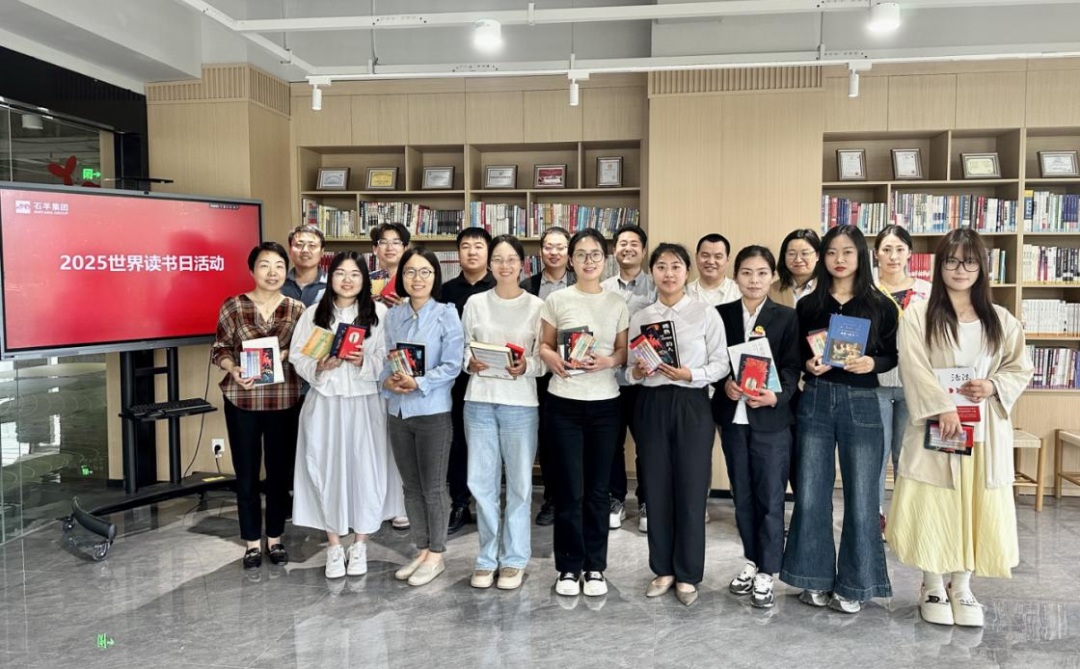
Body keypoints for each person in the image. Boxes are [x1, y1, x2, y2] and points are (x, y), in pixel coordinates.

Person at [886, 229, 1033, 628]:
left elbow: (1019, 367)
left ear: (982, 267)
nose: (960, 269)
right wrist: (942, 408)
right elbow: (913, 366)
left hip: (984, 435)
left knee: (974, 505)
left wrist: (993, 385)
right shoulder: (918, 315)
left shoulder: (1000, 319)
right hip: (939, 430)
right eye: (951, 261)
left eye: (969, 261)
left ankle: (963, 585)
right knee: (935, 502)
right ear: (940, 266)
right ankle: (933, 584)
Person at [780, 224, 899, 614]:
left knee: (862, 496)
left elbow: (892, 355)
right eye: (832, 252)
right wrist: (809, 365)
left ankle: (856, 584)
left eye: (848, 252)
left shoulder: (880, 305)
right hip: (816, 399)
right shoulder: (809, 304)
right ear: (823, 258)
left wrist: (872, 363)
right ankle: (811, 577)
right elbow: (797, 355)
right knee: (811, 492)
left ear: (861, 256)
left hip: (862, 401)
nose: (839, 259)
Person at [289, 251, 405, 579]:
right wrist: (319, 365)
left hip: (367, 403)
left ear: (365, 279)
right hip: (325, 403)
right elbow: (298, 356)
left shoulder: (379, 314)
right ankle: (334, 545)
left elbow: (389, 357)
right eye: (341, 273)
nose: (348, 280)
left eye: (355, 274)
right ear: (331, 278)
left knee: (366, 471)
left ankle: (360, 544)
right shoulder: (314, 313)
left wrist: (363, 361)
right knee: (326, 470)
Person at [627, 243, 728, 606]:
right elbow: (628, 369)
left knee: (691, 488)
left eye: (675, 266)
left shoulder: (706, 314)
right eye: (661, 266)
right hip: (651, 403)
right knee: (655, 488)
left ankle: (687, 573)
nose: (668, 273)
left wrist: (690, 374)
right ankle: (662, 569)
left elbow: (721, 364)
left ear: (687, 272)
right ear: (652, 271)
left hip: (692, 403)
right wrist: (638, 372)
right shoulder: (641, 316)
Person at [538, 228, 629, 597]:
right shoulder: (556, 299)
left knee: (597, 491)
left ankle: (595, 567)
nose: (588, 260)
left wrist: (608, 360)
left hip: (606, 404)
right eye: (581, 254)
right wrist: (553, 359)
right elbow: (544, 345)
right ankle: (568, 567)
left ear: (605, 260)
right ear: (570, 260)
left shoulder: (617, 302)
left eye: (595, 254)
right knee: (569, 490)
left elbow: (623, 352)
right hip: (563, 403)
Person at [713, 246, 801, 609]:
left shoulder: (787, 317)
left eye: (762, 273)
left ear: (772, 277)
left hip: (771, 421)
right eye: (747, 273)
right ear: (736, 276)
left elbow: (793, 368)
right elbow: (713, 362)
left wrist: (775, 396)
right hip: (733, 419)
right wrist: (724, 385)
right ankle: (751, 560)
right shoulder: (720, 315)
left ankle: (767, 570)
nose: (754, 280)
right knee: (743, 495)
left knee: (770, 497)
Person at [210, 242, 305, 569]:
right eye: (264, 265)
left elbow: (305, 349)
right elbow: (220, 348)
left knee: (279, 474)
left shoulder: (296, 309)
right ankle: (252, 542)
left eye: (279, 265)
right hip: (243, 400)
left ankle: (275, 538)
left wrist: (285, 354)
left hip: (283, 401)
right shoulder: (234, 305)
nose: (272, 272)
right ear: (252, 270)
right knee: (247, 474)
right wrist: (233, 369)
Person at [462, 235, 546, 590]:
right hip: (479, 401)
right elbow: (463, 351)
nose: (505, 265)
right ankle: (486, 559)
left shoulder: (537, 306)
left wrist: (526, 366)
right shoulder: (475, 303)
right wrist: (471, 363)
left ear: (522, 264)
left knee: (520, 486)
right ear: (490, 264)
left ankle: (514, 560)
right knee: (481, 484)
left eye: (511, 259)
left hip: (520, 404)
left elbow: (543, 360)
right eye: (498, 259)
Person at [380, 247, 464, 587]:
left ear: (435, 276)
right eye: (410, 272)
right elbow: (386, 359)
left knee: (433, 487)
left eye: (425, 272)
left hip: (432, 411)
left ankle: (437, 554)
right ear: (401, 277)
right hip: (398, 411)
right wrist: (387, 381)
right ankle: (423, 549)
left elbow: (453, 365)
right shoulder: (393, 316)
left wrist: (420, 382)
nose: (417, 278)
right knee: (411, 487)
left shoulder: (446, 314)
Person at [873, 225, 932, 525]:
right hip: (875, 382)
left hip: (914, 384)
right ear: (876, 254)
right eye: (886, 249)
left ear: (910, 253)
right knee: (876, 453)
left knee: (907, 454)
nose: (893, 256)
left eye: (899, 249)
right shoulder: (867, 287)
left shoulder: (927, 291)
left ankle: (905, 519)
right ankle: (874, 517)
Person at [600, 224, 656, 532]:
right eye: (622, 243)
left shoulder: (656, 285)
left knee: (647, 444)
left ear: (643, 250)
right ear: (614, 250)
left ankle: (647, 501)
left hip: (646, 381)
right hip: (611, 378)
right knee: (612, 444)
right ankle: (615, 499)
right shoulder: (603, 287)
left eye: (635, 243)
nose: (628, 248)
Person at [441, 227, 496, 535]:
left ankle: (490, 504)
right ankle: (460, 503)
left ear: (489, 252)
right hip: (457, 382)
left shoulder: (501, 285)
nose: (472, 251)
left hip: (495, 379)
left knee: (491, 445)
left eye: (478, 246)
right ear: (458, 252)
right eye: (465, 246)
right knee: (458, 443)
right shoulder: (445, 291)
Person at [521, 226, 576, 526]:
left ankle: (575, 497)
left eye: (560, 247)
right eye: (548, 247)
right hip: (539, 374)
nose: (554, 252)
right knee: (548, 438)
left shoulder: (582, 282)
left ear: (569, 252)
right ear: (540, 251)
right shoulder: (527, 286)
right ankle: (552, 499)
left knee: (573, 439)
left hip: (575, 372)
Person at [771, 228, 821, 308]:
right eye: (792, 254)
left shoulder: (829, 288)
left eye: (805, 253)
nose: (798, 260)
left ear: (818, 255)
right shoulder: (771, 290)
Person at [686, 233, 740, 306]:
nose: (711, 262)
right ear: (696, 257)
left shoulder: (739, 292)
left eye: (718, 257)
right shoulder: (684, 293)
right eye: (705, 256)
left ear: (727, 260)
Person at [281, 224, 327, 307]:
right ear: (290, 250)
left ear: (322, 252)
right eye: (299, 245)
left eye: (312, 245)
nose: (305, 250)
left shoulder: (333, 285)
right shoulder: (278, 283)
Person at [371, 223, 410, 307]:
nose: (390, 248)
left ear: (405, 249)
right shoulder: (364, 281)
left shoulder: (414, 280)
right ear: (375, 249)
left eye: (396, 242)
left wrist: (404, 309)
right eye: (383, 242)